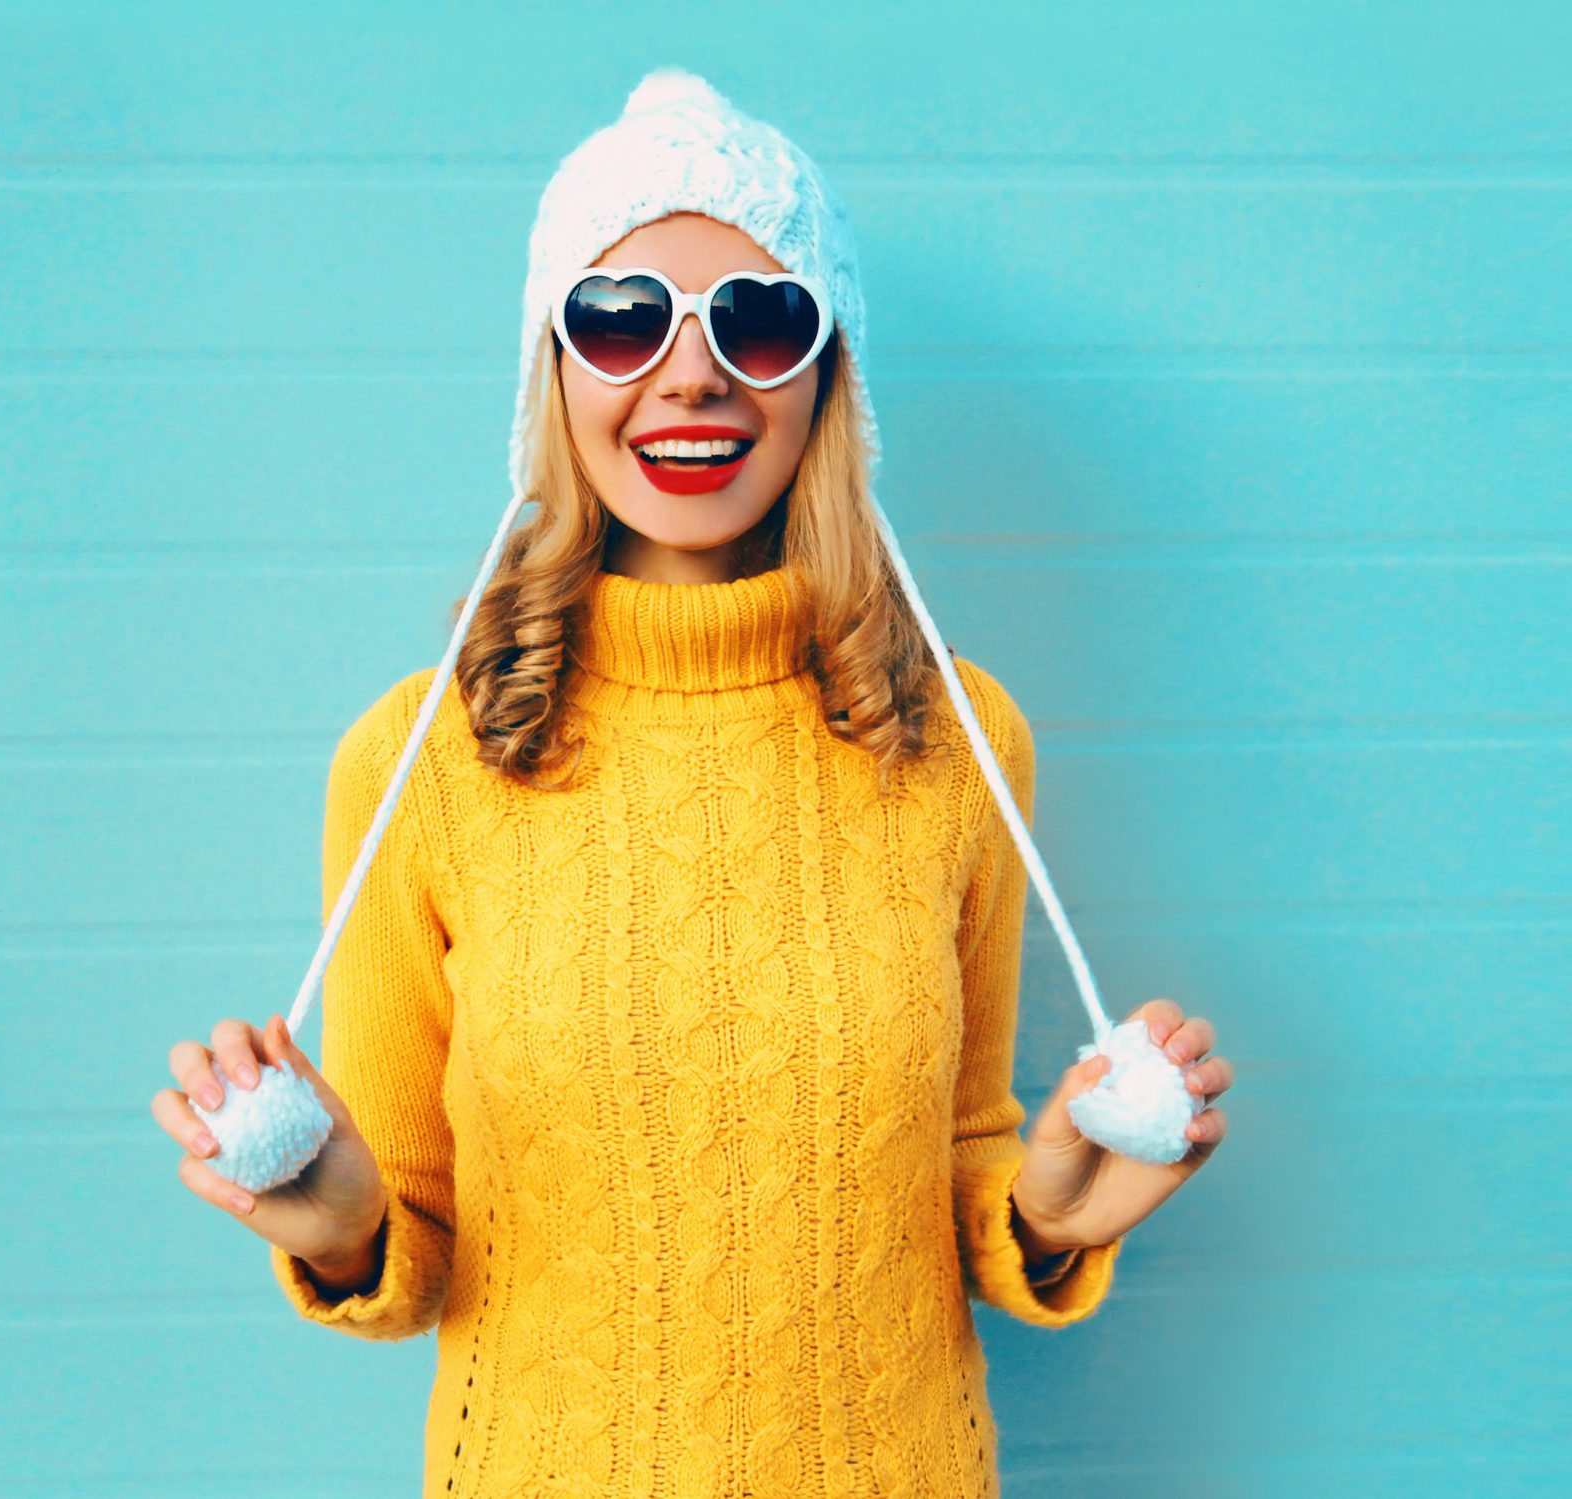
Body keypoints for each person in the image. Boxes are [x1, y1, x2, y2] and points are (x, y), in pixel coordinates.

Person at [148, 68, 1234, 1497]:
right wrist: (348, 1231)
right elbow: (410, 1254)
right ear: (552, 368)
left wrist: (1048, 1215)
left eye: (759, 320)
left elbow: (965, 1162)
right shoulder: (422, 759)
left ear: (826, 377)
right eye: (622, 320)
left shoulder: (956, 735)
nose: (692, 372)